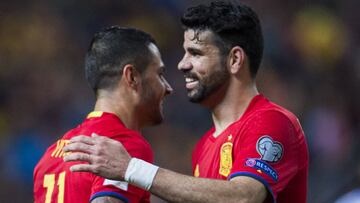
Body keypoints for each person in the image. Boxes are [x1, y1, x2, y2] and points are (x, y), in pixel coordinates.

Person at [63, 1, 309, 203]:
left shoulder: (272, 121)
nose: (182, 64)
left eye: (196, 53)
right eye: (184, 52)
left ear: (234, 60)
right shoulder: (203, 147)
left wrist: (131, 169)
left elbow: (245, 197)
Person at [33, 26, 173, 203]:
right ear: (132, 77)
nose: (168, 88)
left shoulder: (51, 155)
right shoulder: (123, 147)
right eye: (159, 74)